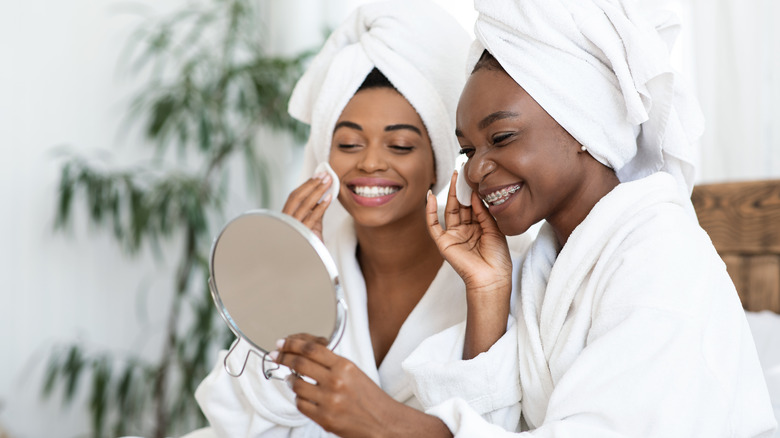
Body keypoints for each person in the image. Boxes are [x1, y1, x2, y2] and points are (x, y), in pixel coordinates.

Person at [394, 0, 778, 436]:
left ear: (581, 123)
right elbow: (500, 423)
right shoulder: (547, 266)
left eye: (501, 137)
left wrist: (388, 423)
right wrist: (488, 292)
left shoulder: (662, 257)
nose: (475, 170)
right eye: (468, 150)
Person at [195, 1, 481, 436]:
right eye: (348, 144)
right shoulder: (316, 257)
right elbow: (234, 417)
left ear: (438, 161)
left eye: (400, 146)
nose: (370, 163)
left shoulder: (491, 269)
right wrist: (293, 271)